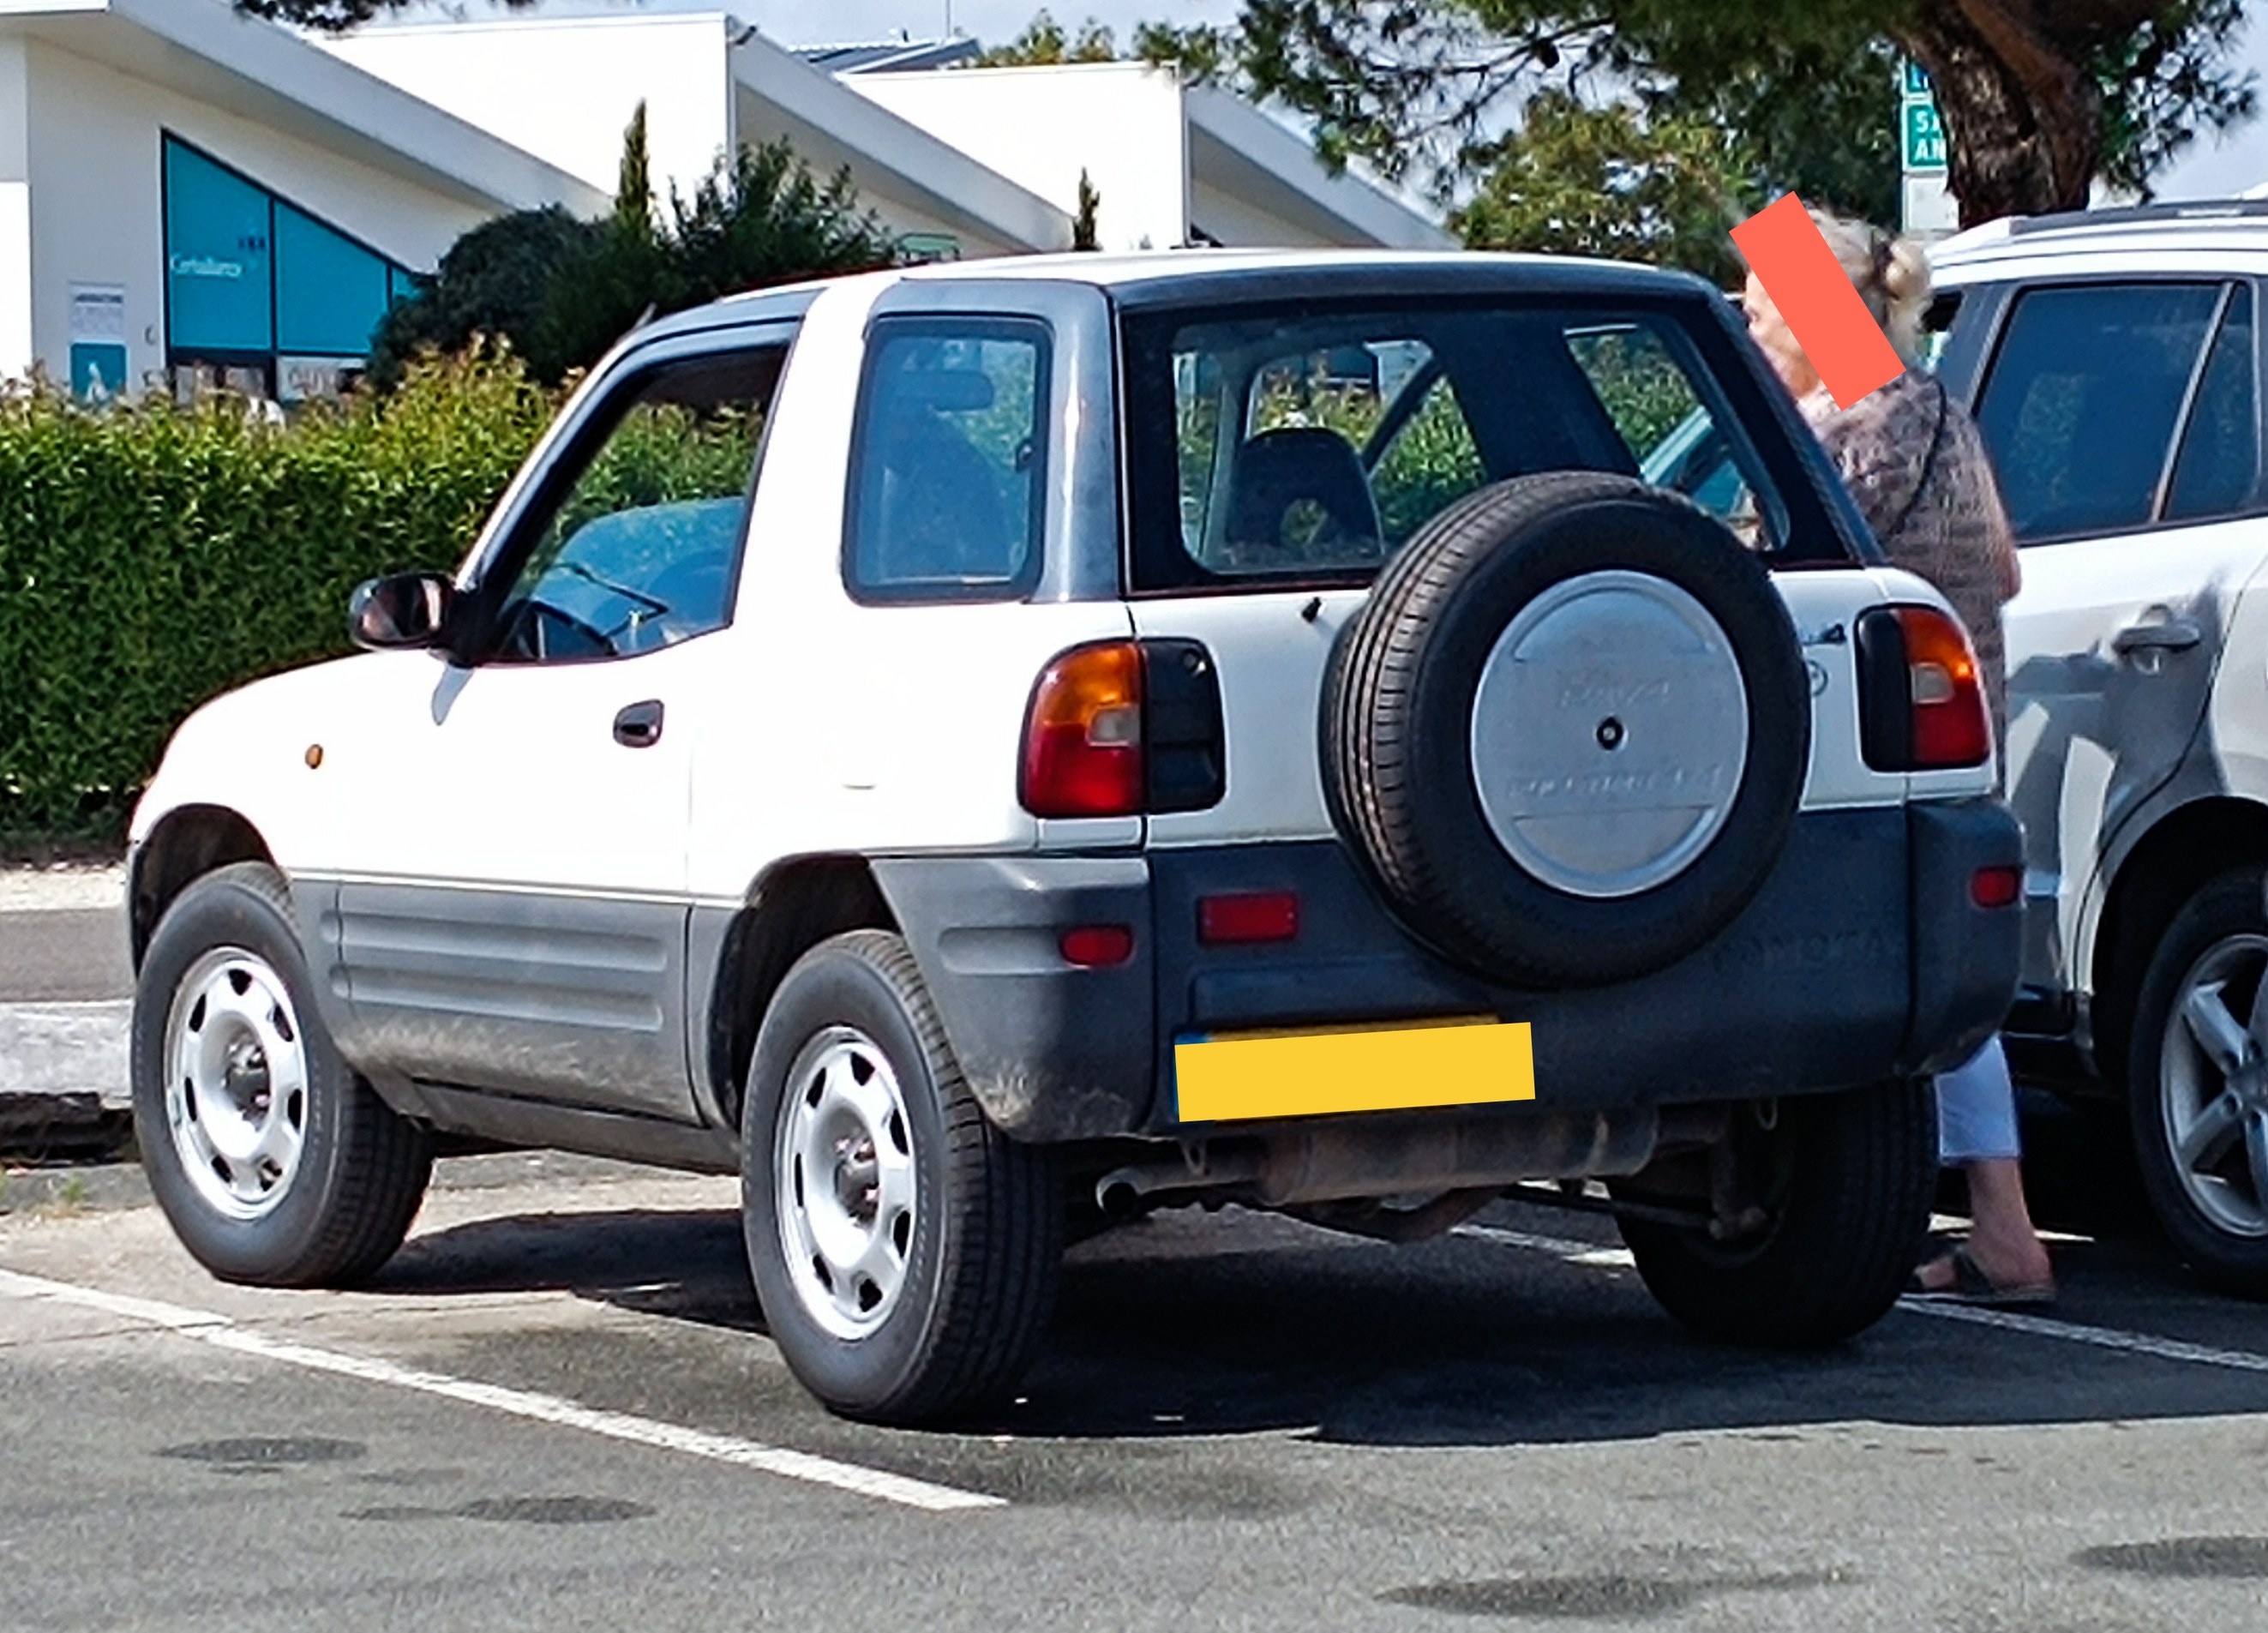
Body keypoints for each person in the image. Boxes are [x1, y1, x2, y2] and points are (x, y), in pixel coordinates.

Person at [1742, 207, 2055, 1305]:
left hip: (1868, 743)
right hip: (1957, 730)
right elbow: (2005, 573)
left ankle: (1994, 1234)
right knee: (1942, 976)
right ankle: (2001, 1232)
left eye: (1760, 303)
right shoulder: (1938, 409)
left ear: (1813, 311)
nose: (1745, 321)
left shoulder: (1850, 431)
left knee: (1896, 978)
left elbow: (1776, 576)